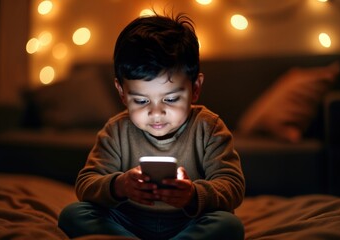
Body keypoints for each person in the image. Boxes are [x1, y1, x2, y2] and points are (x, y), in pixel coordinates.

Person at [58, 13, 245, 240]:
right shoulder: (116, 130)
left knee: (229, 225)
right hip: (129, 222)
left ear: (195, 88)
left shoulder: (210, 128)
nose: (156, 113)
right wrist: (120, 185)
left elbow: (232, 185)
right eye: (141, 101)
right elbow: (86, 183)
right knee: (73, 214)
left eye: (171, 99)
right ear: (122, 93)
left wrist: (194, 195)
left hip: (187, 222)